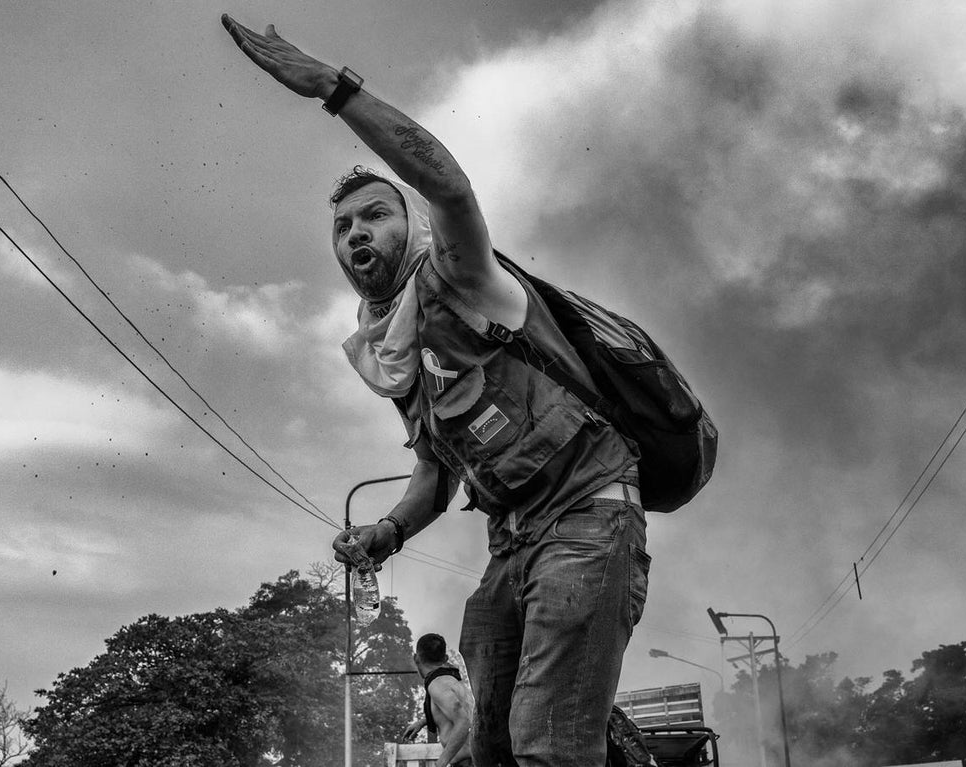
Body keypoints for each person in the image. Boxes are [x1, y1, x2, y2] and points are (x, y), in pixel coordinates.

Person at [222, 15, 652, 767]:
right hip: (512, 543)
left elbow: (448, 186)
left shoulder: (463, 279)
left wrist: (332, 87)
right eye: (342, 226)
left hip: (588, 518)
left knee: (546, 746)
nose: (356, 233)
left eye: (376, 215)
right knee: (486, 746)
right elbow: (436, 470)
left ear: (414, 229)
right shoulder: (393, 349)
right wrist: (383, 534)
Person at [401, 633, 474, 767]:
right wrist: (423, 722)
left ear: (416, 658)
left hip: (467, 762)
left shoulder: (437, 685)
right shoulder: (451, 680)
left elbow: (463, 721)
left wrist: (441, 763)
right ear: (445, 658)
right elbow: (460, 712)